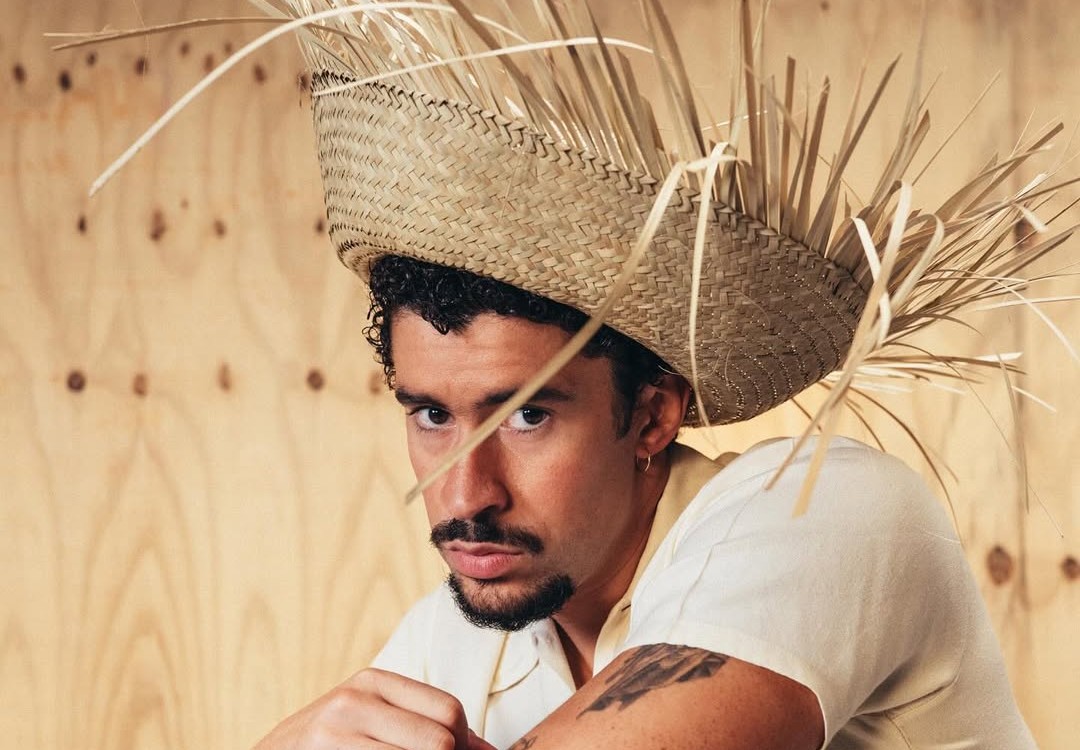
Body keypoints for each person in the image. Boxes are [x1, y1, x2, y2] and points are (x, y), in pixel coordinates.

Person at [198, 2, 1063, 748]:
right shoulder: (448, 645)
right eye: (431, 415)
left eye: (527, 416)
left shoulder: (822, 510)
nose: (464, 493)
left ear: (652, 416)